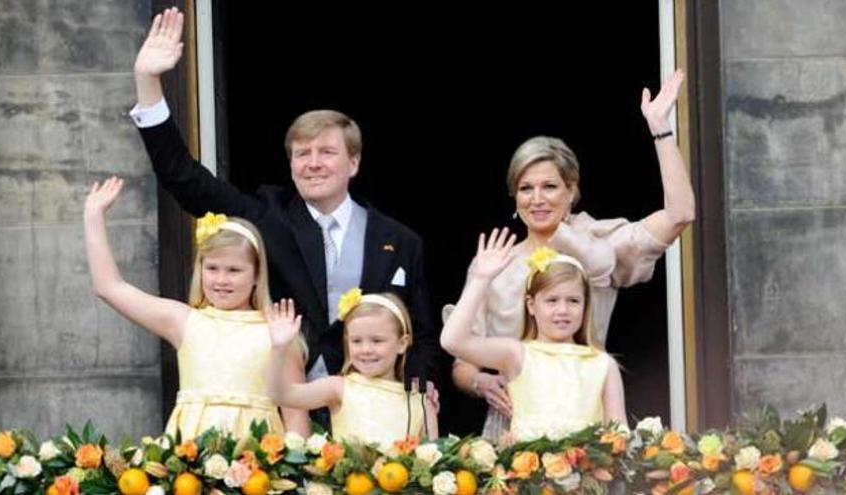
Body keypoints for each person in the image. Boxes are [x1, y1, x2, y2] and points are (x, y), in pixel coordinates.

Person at [129, 8, 439, 392]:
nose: (312, 164)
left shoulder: (400, 241)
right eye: (301, 154)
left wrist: (419, 393)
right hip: (282, 407)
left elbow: (422, 337)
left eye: (326, 152)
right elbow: (184, 179)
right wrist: (148, 84)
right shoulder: (266, 217)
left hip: (371, 412)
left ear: (353, 162)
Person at [447, 70, 695, 440]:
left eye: (549, 186)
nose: (537, 198)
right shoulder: (495, 261)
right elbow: (461, 359)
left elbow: (680, 214)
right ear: (514, 197)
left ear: (570, 191)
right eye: (526, 188)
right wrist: (482, 383)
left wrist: (660, 128)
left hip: (587, 422)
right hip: (512, 428)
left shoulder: (597, 243)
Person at [83, 177, 309, 439]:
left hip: (257, 467)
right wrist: (93, 216)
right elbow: (110, 287)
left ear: (258, 274)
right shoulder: (184, 320)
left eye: (234, 270)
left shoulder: (277, 332)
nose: (221, 280)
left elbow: (296, 423)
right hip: (189, 466)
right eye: (212, 268)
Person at [442, 229, 625, 441]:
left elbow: (619, 435)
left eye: (573, 301)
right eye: (552, 301)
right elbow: (452, 341)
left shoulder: (603, 364)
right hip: (527, 472)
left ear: (585, 305)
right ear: (531, 305)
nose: (563, 310)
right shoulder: (516, 353)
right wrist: (481, 279)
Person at [266, 291, 439, 449]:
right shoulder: (338, 388)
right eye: (357, 341)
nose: (366, 349)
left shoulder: (420, 401)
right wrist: (279, 349)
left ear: (402, 343)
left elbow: (432, 460)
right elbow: (280, 395)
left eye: (377, 341)